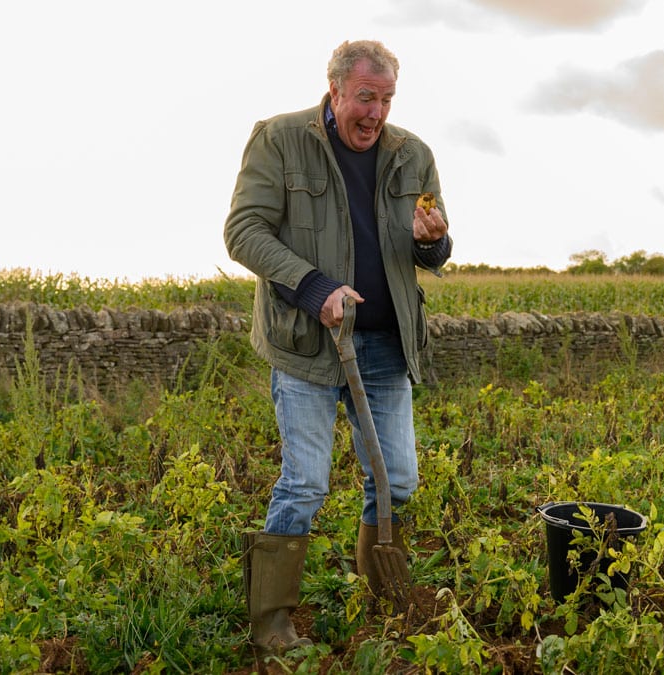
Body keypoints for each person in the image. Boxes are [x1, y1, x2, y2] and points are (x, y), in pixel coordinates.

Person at [224, 39, 451, 652]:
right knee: (306, 483)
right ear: (336, 93)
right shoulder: (280, 139)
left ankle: (383, 592)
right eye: (364, 97)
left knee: (397, 478)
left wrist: (434, 243)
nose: (374, 113)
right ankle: (270, 618)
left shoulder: (413, 155)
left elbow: (431, 249)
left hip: (384, 343)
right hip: (306, 342)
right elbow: (242, 231)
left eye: (385, 99)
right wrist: (312, 286)